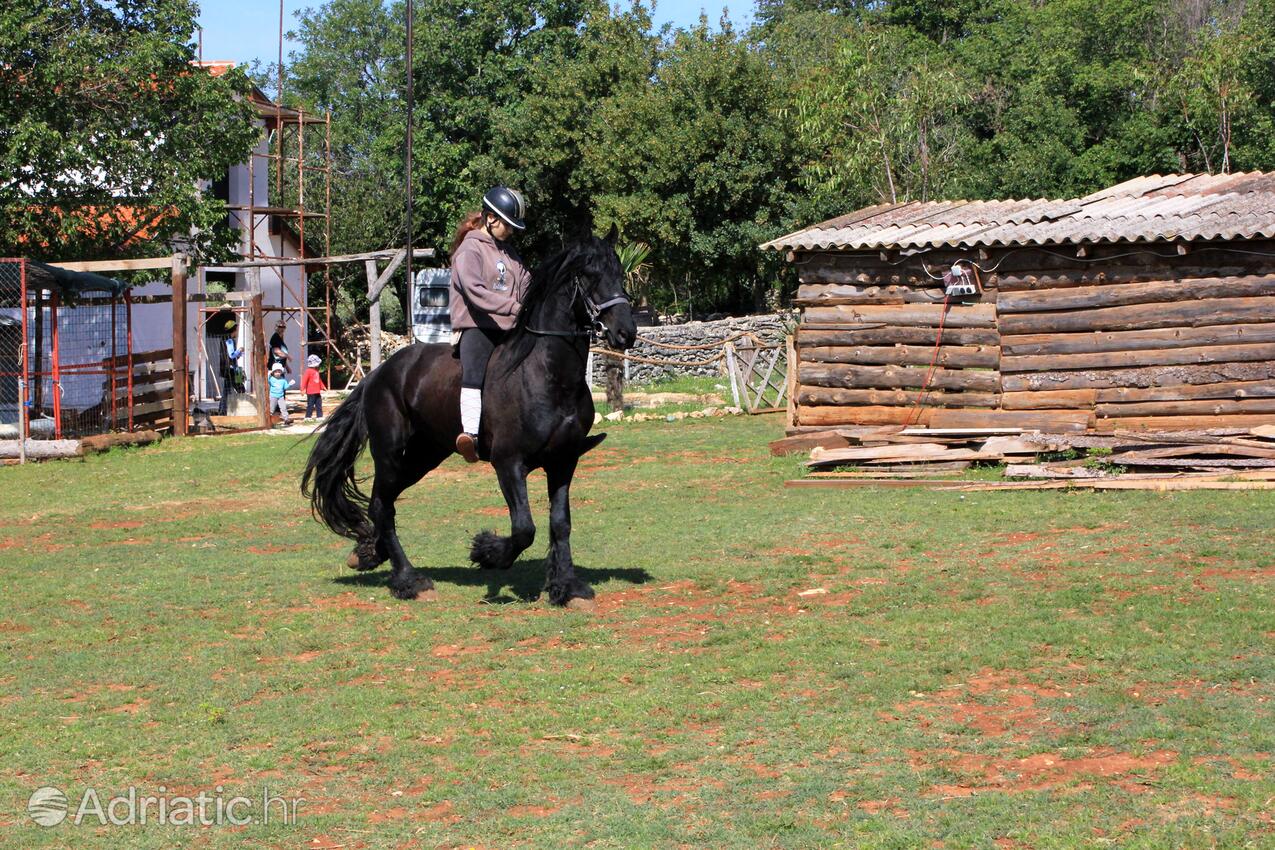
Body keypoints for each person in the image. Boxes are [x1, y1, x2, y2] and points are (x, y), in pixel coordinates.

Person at [448, 185, 531, 463]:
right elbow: (476, 292)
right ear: (491, 219)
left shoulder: (510, 254)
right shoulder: (469, 251)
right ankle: (469, 434)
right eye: (508, 225)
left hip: (509, 327)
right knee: (474, 372)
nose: (511, 231)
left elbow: (526, 284)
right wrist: (514, 307)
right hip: (476, 326)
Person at [218, 319, 243, 416]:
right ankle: (242, 410)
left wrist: (238, 354)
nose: (237, 331)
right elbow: (231, 355)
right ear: (234, 329)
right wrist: (240, 350)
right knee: (241, 389)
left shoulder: (224, 339)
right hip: (233, 370)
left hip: (229, 368)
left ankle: (222, 410)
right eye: (236, 329)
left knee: (226, 391)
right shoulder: (229, 340)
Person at [301, 354, 326, 421]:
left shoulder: (316, 371)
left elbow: (319, 380)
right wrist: (302, 389)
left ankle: (319, 416)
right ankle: (308, 417)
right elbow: (304, 381)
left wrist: (322, 386)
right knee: (310, 405)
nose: (318, 364)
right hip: (311, 392)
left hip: (317, 391)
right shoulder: (308, 371)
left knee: (319, 404)